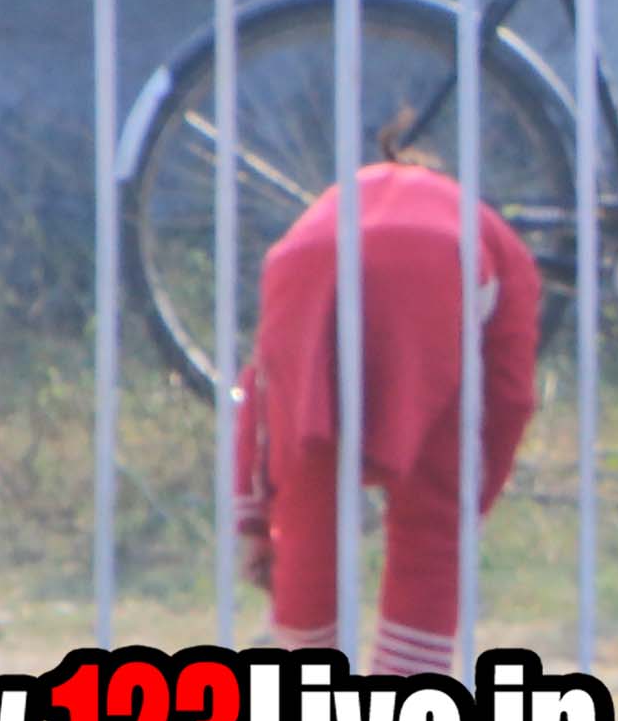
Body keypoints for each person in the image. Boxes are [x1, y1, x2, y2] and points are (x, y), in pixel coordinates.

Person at [232, 159, 542, 679]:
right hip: (440, 266)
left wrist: (258, 523)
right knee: (433, 514)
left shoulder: (325, 210)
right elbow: (510, 395)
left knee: (307, 493)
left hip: (307, 259)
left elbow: (262, 391)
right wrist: (471, 503)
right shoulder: (497, 239)